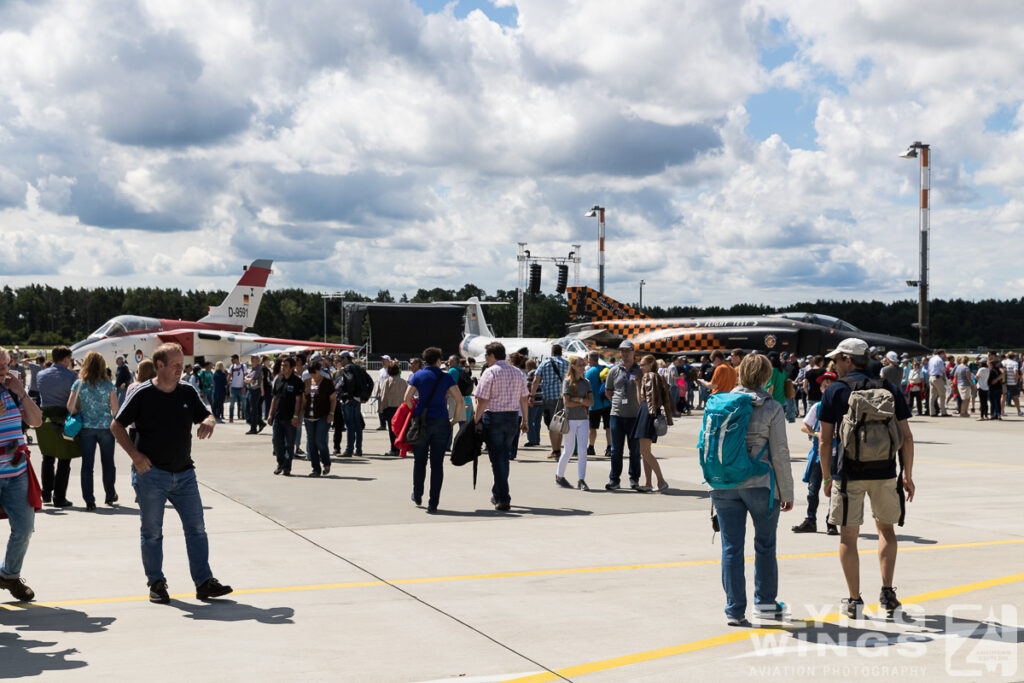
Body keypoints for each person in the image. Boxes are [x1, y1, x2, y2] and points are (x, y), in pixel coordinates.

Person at [111, 343, 232, 604]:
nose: (181, 369)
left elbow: (207, 414)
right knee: (152, 532)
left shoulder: (187, 391)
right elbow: (116, 425)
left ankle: (203, 582)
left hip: (184, 474)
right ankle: (156, 582)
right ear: (160, 366)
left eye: (181, 364)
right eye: (175, 364)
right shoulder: (142, 393)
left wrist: (209, 422)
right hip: (152, 475)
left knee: (197, 528)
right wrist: (135, 456)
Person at [819, 338, 915, 619]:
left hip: (848, 474)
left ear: (849, 360)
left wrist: (826, 477)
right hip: (885, 472)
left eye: (836, 359)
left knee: (849, 536)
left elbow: (825, 441)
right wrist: (907, 474)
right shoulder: (890, 388)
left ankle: (854, 600)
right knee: (886, 531)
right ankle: (887, 592)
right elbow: (906, 437)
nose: (833, 364)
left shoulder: (835, 391)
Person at [712, 354, 794, 627]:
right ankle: (766, 605)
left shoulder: (721, 403)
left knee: (731, 547)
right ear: (766, 377)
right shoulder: (771, 407)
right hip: (761, 484)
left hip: (724, 483)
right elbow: (780, 453)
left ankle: (734, 610)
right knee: (765, 545)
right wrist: (787, 491)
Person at [0, 345, 43, 602]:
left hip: (16, 470)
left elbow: (37, 421)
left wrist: (22, 393)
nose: (4, 370)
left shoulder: (13, 391)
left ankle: (9, 575)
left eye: (5, 365)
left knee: (25, 528)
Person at [404, 348, 461, 513]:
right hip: (441, 421)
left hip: (422, 421)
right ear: (438, 360)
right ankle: (433, 502)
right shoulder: (446, 377)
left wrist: (415, 412)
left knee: (419, 461)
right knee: (437, 464)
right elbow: (458, 400)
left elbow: (407, 399)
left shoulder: (418, 376)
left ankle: (417, 493)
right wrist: (454, 420)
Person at [473, 342, 528, 511]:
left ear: (492, 356)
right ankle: (498, 492)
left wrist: (475, 420)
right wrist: (525, 420)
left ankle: (503, 497)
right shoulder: (517, 372)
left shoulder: (490, 372)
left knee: (497, 459)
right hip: (512, 417)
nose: (485, 360)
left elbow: (482, 400)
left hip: (494, 417)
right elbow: (524, 398)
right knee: (503, 457)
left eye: (486, 356)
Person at [67, 351, 119, 510]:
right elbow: (115, 410)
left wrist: (81, 410)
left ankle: (89, 499)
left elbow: (70, 406)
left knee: (87, 465)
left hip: (86, 428)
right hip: (105, 428)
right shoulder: (109, 385)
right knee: (108, 463)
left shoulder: (78, 384)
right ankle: (110, 495)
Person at [792, 372, 838, 535]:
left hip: (837, 455)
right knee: (813, 489)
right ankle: (810, 519)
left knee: (835, 490)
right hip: (818, 454)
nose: (828, 388)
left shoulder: (842, 407)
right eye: (825, 386)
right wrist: (817, 434)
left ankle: (831, 521)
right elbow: (805, 426)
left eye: (831, 385)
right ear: (820, 389)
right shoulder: (817, 407)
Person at [35, 345, 78, 507]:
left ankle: (46, 493)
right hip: (63, 417)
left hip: (45, 418)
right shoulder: (72, 376)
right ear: (66, 359)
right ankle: (59, 497)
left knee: (47, 456)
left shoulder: (41, 374)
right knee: (64, 458)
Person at [604, 340, 643, 491]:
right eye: (622, 351)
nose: (625, 354)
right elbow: (608, 391)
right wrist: (617, 402)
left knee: (635, 450)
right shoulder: (614, 370)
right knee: (616, 450)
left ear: (633, 352)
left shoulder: (640, 371)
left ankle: (634, 479)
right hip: (617, 415)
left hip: (635, 416)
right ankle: (614, 479)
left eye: (627, 351)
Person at [631, 354, 673, 492]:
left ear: (650, 364)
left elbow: (649, 400)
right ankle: (648, 483)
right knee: (645, 452)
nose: (640, 367)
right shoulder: (651, 377)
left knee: (644, 451)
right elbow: (641, 401)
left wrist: (651, 413)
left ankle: (661, 481)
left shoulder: (649, 376)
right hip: (647, 412)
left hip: (647, 414)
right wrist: (638, 385)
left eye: (642, 364)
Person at [554, 356, 593, 490]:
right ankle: (559, 476)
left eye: (583, 364)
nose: (582, 367)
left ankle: (581, 479)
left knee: (583, 450)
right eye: (580, 365)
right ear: (573, 366)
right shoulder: (567, 382)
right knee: (568, 450)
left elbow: (591, 402)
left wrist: (579, 400)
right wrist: (582, 401)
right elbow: (567, 403)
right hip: (570, 419)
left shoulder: (586, 382)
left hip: (583, 419)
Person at [531, 344, 570, 460]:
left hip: (549, 398)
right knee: (561, 423)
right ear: (561, 352)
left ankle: (555, 450)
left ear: (552, 352)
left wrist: (532, 396)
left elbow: (535, 380)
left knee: (552, 425)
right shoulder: (567, 364)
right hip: (564, 398)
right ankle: (559, 449)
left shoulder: (545, 363)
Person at [268, 357, 304, 476]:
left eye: (286, 365)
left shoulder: (297, 381)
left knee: (289, 444)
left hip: (290, 418)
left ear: (292, 367)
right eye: (282, 365)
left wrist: (296, 416)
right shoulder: (278, 379)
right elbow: (274, 398)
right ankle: (280, 463)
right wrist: (270, 414)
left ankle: (287, 467)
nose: (283, 367)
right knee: (276, 442)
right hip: (278, 417)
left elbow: (299, 401)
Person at [302, 359, 336, 476]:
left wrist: (331, 414)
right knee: (311, 443)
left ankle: (326, 462)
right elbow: (303, 400)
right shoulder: (306, 382)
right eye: (311, 373)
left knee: (319, 441)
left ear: (320, 371)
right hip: (308, 417)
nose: (313, 376)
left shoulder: (327, 382)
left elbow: (333, 399)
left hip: (323, 416)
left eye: (315, 373)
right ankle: (315, 469)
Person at [378, 363, 408, 456]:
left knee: (392, 430)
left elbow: (383, 396)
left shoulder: (388, 381)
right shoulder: (404, 382)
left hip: (390, 408)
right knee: (401, 429)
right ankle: (401, 448)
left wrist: (381, 409)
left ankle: (394, 449)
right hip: (401, 408)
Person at [585, 352, 610, 457]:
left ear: (590, 359)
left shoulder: (589, 372)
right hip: (607, 402)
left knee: (593, 428)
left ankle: (591, 447)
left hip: (594, 404)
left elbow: (586, 388)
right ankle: (609, 447)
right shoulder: (606, 369)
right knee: (608, 427)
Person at [523, 358, 543, 447]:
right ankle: (537, 439)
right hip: (541, 400)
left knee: (530, 420)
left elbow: (528, 386)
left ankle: (532, 440)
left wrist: (528, 398)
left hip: (533, 400)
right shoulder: (540, 372)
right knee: (537, 421)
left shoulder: (531, 373)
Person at [245, 355, 267, 434]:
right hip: (251, 390)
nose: (251, 360)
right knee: (250, 408)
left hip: (255, 390)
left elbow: (251, 380)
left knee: (253, 409)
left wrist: (247, 379)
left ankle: (254, 427)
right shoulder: (253, 369)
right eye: (251, 359)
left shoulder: (258, 369)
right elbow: (247, 379)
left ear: (258, 361)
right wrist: (247, 379)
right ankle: (260, 423)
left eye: (253, 359)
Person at [926, 349, 949, 417]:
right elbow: (943, 370)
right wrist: (946, 370)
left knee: (932, 396)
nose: (944, 355)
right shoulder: (939, 360)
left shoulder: (931, 359)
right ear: (941, 354)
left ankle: (932, 412)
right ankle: (943, 412)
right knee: (942, 395)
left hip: (931, 377)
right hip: (938, 378)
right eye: (944, 354)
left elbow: (929, 370)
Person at [228, 354, 247, 423]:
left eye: (232, 359)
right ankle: (231, 418)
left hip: (241, 387)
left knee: (244, 403)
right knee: (232, 404)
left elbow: (246, 376)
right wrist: (227, 385)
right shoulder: (232, 366)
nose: (231, 361)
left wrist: (244, 386)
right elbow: (229, 376)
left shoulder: (243, 366)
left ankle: (246, 417)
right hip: (233, 387)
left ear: (236, 359)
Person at [1004, 351, 1021, 416]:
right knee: (1015, 397)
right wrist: (1016, 380)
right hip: (1012, 382)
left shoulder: (1004, 362)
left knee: (1003, 397)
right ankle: (1019, 411)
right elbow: (1015, 372)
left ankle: (1002, 411)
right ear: (1014, 357)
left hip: (1004, 382)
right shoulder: (1015, 363)